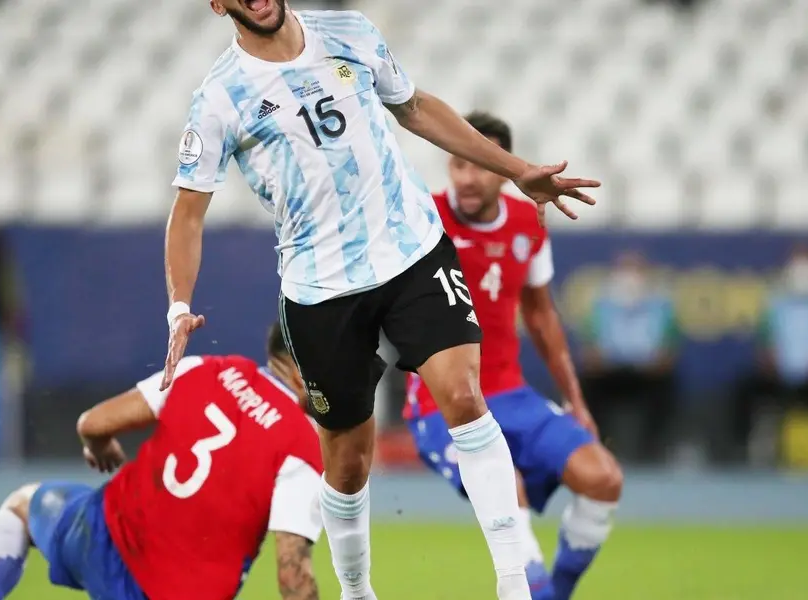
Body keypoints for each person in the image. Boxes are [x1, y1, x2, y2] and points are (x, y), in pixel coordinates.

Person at [162, 3, 599, 599]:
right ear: (218, 4)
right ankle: (357, 590)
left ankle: (512, 582)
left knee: (465, 397)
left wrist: (518, 170)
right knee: (347, 463)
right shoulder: (219, 98)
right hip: (321, 290)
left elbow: (414, 107)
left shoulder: (349, 32)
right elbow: (189, 213)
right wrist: (178, 305)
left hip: (412, 251)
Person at [403, 113, 623, 600]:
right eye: (458, 164)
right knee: (509, 487)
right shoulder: (421, 216)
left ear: (503, 168)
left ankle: (554, 593)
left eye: (479, 165)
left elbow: (541, 317)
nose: (467, 177)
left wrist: (576, 400)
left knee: (603, 479)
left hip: (510, 393)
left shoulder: (529, 222)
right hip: (442, 401)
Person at [0, 325, 323, 600]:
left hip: (104, 540)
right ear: (302, 369)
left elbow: (92, 423)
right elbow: (292, 576)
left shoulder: (204, 368)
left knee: (21, 508)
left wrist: (99, 446)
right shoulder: (303, 444)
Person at [730, 244, 808, 469]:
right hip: (778, 374)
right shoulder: (775, 298)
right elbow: (765, 339)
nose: (803, 268)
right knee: (744, 389)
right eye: (798, 260)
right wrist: (769, 361)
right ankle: (741, 450)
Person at [579, 250, 680, 464]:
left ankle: (653, 450)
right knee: (586, 384)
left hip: (646, 374)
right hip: (610, 374)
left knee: (668, 385)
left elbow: (669, 351)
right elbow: (590, 351)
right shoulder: (601, 305)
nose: (630, 276)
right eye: (625, 269)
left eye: (636, 270)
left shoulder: (661, 306)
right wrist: (597, 359)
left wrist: (659, 361)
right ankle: (595, 445)